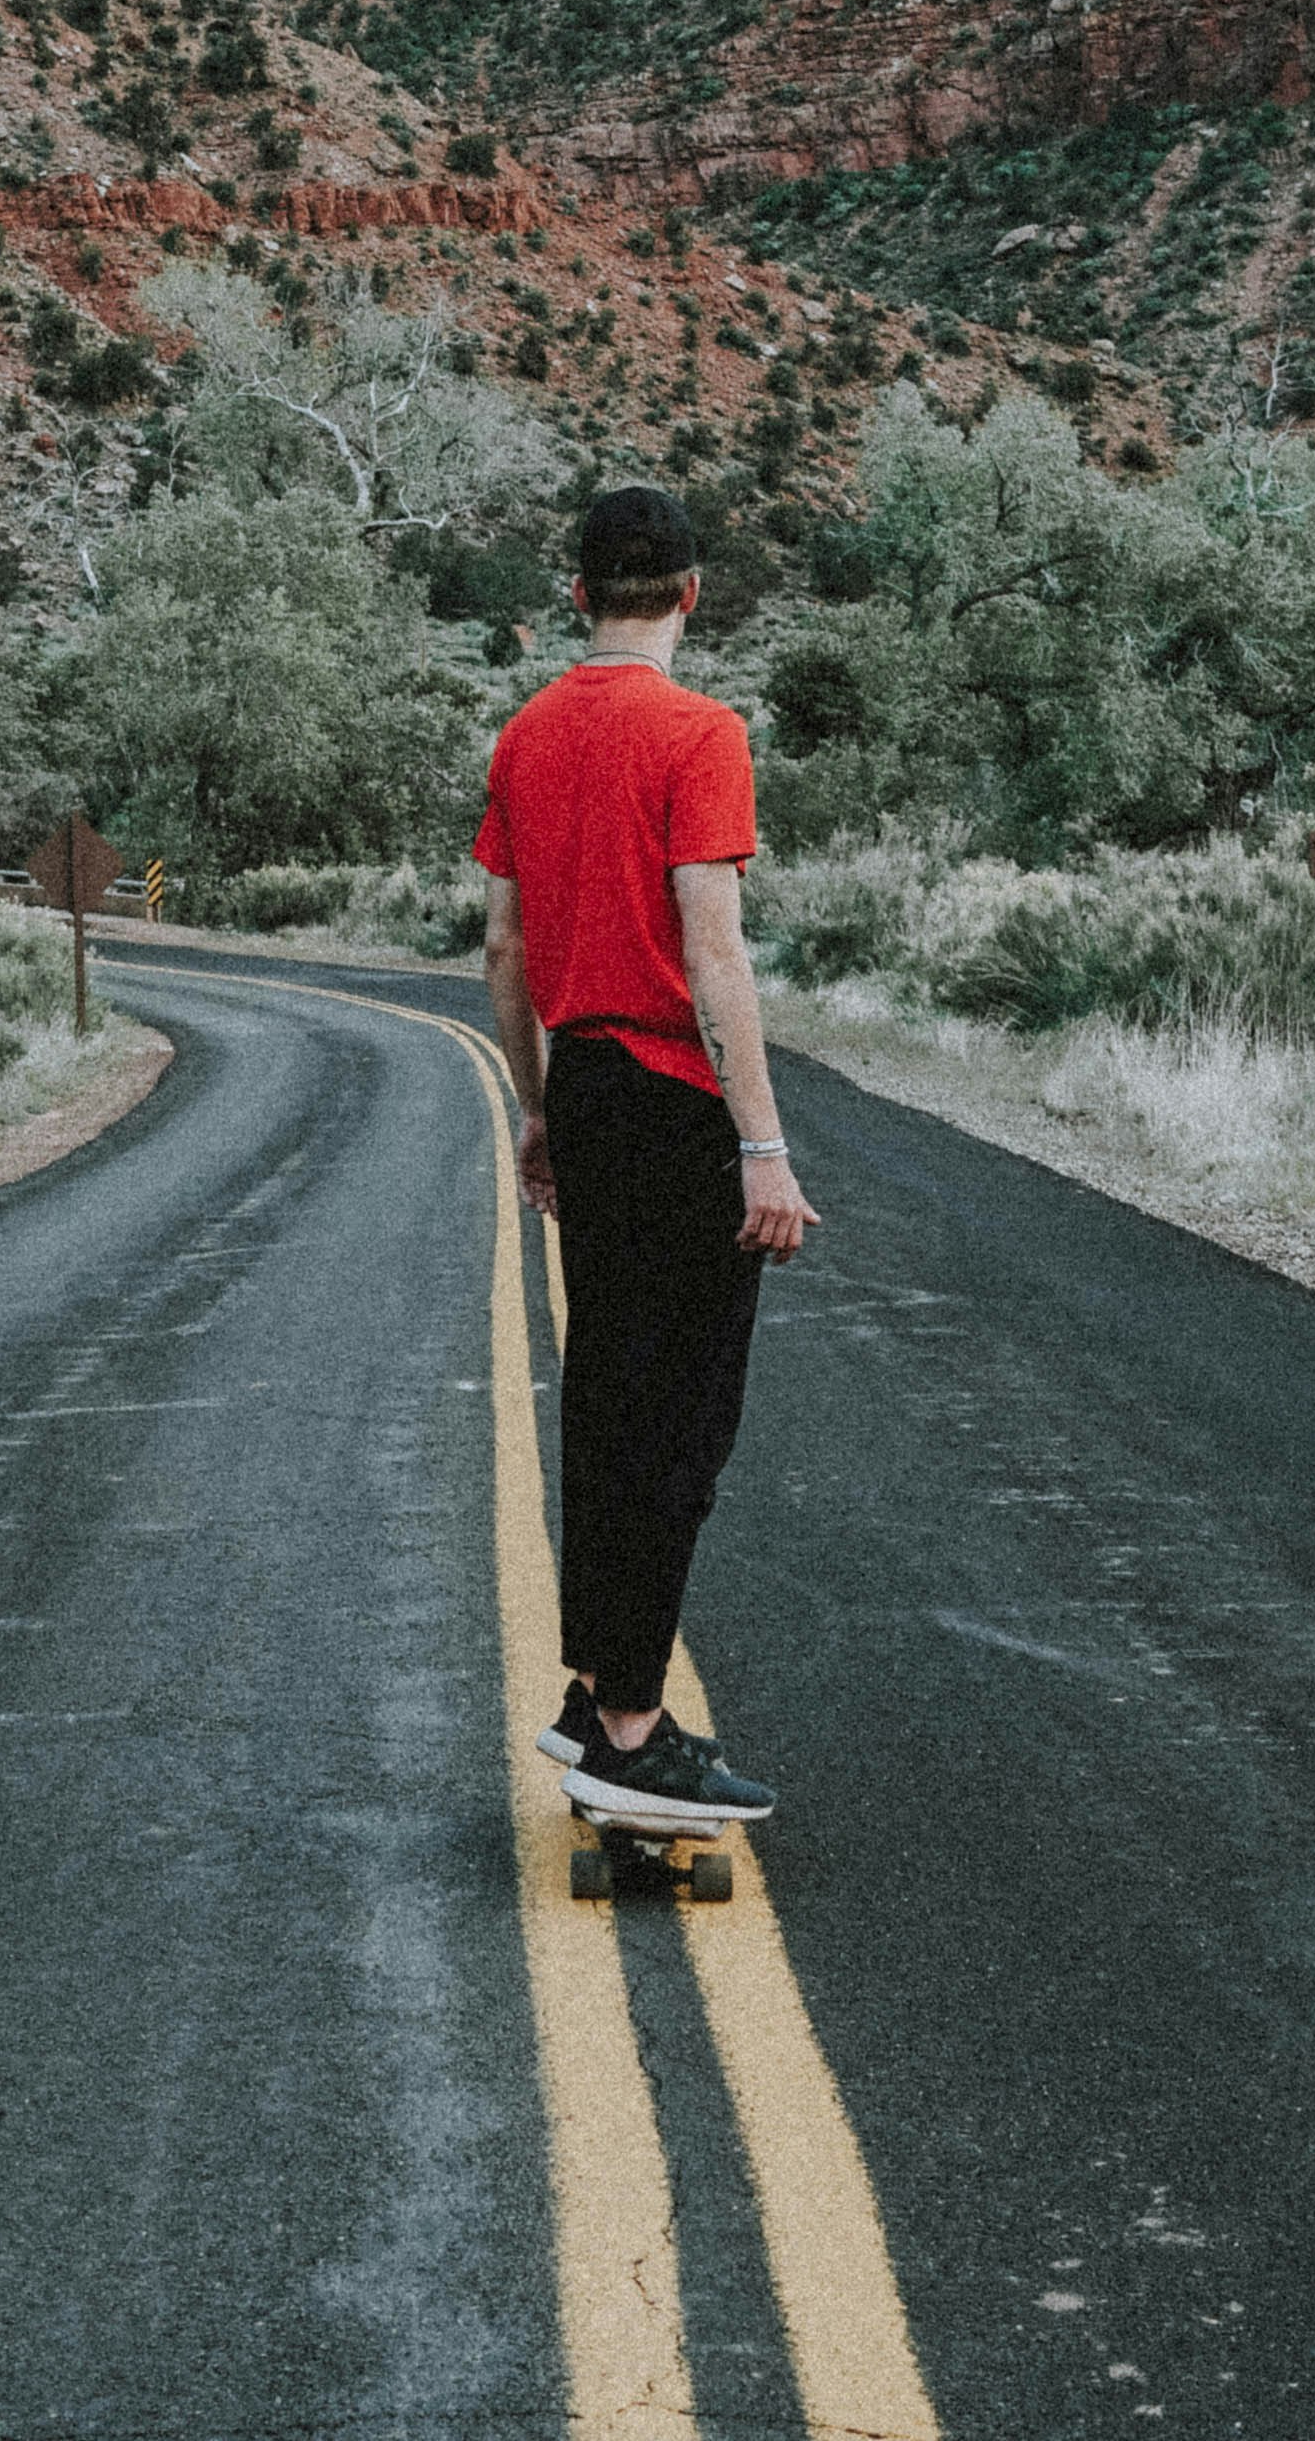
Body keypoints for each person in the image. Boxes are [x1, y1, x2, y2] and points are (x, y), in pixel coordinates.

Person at [473, 482, 816, 1829]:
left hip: (588, 1088)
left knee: (607, 1396)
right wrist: (764, 1149)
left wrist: (538, 1103)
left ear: (577, 597)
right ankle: (629, 1727)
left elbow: (501, 950)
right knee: (683, 1417)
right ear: (690, 593)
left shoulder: (524, 736)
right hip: (675, 1100)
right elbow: (713, 953)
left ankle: (592, 1693)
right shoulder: (700, 734)